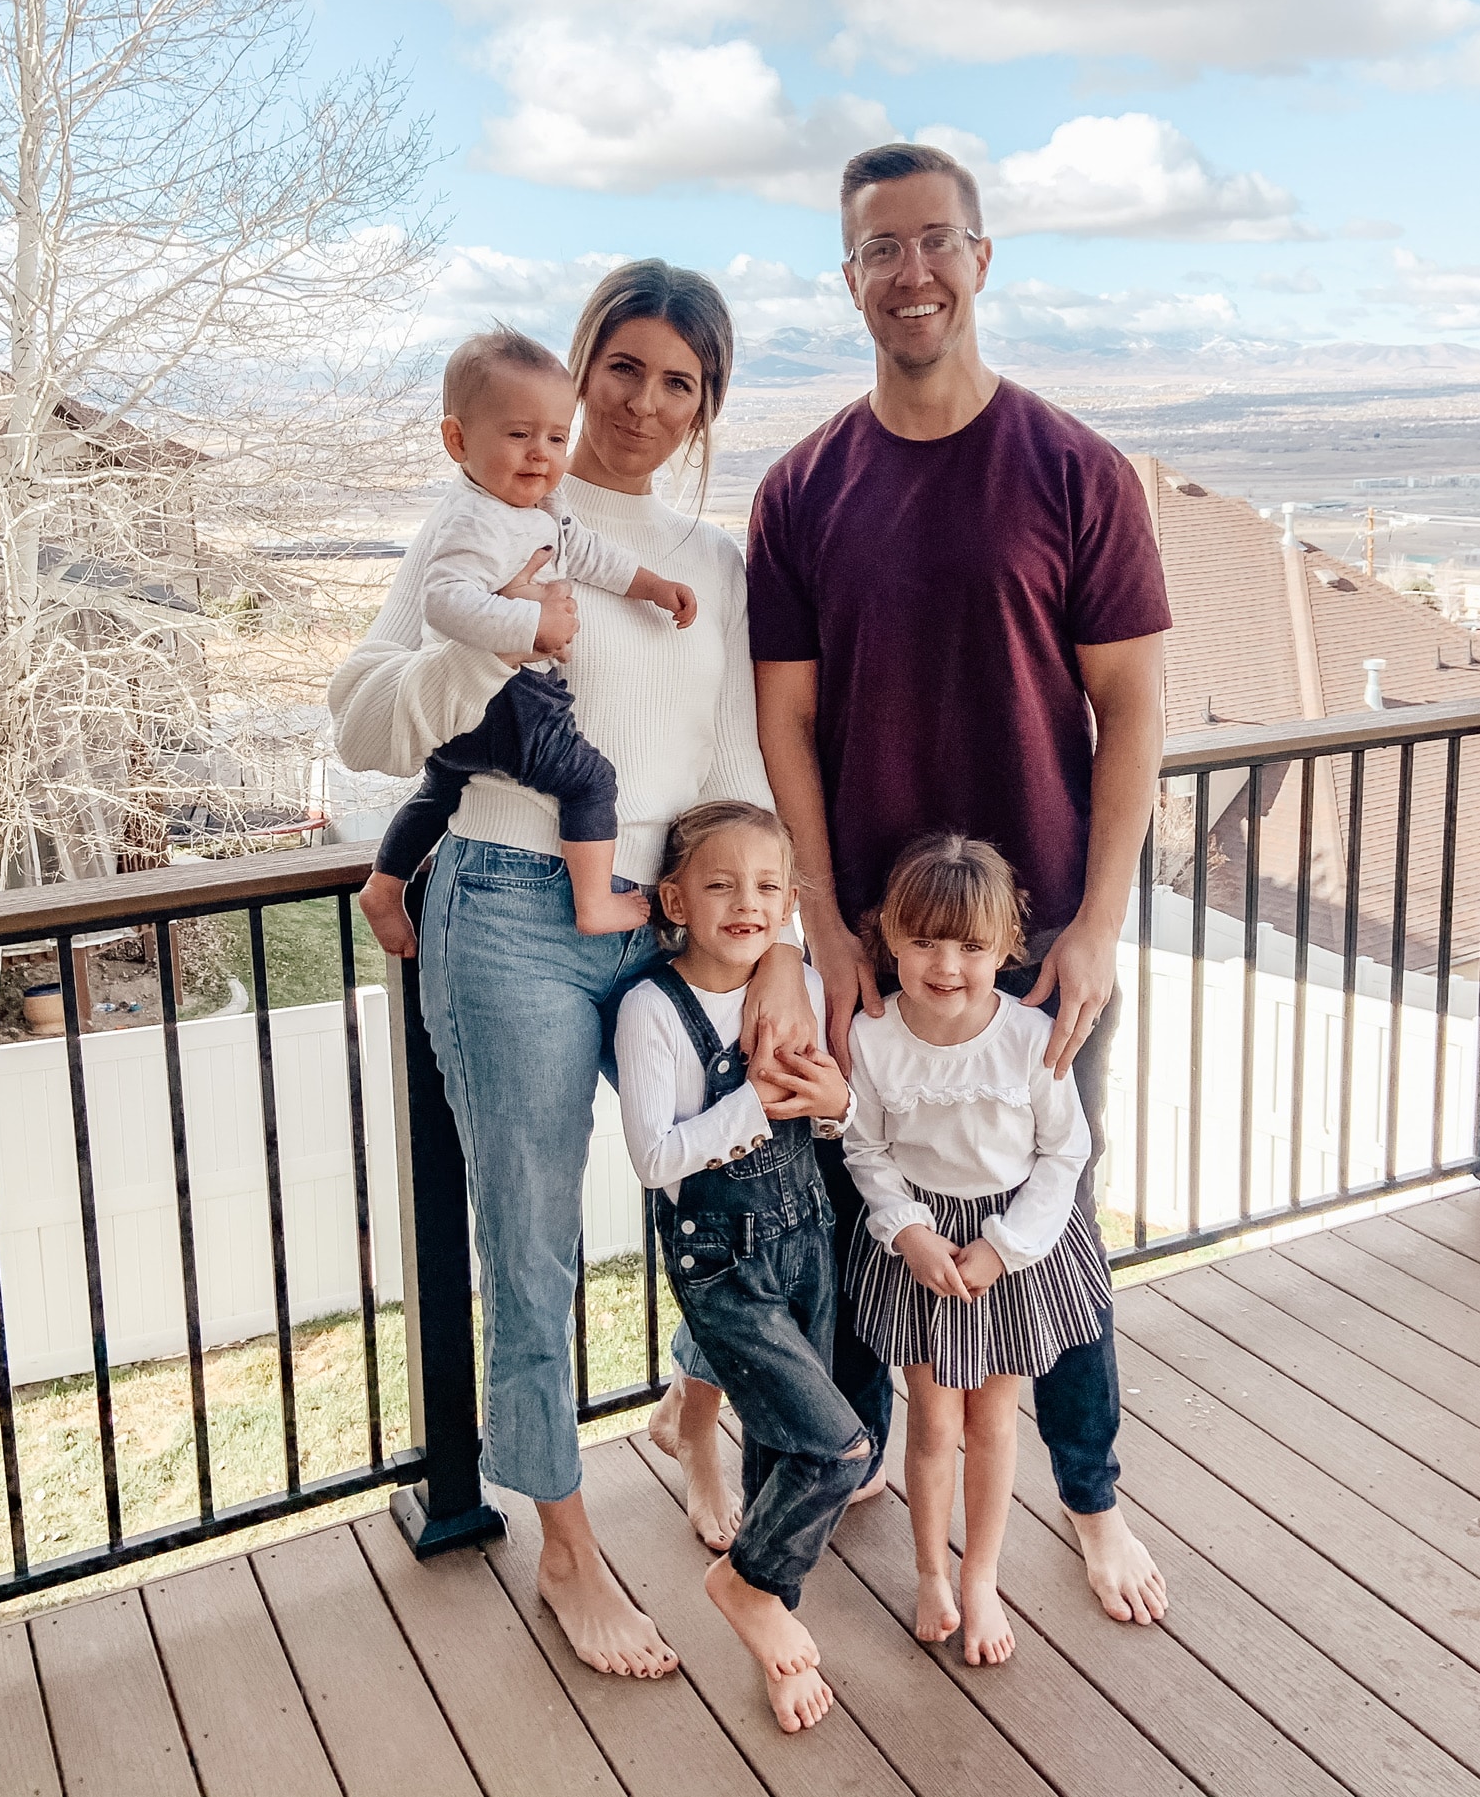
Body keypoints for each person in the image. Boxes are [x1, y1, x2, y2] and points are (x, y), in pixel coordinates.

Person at [328, 260, 815, 1681]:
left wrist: (767, 941)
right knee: (532, 1242)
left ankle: (696, 1421)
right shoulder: (482, 523)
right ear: (578, 366)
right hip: (509, 902)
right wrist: (480, 664)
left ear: (705, 405)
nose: (644, 405)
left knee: (738, 1184)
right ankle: (567, 1546)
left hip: (680, 913)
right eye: (625, 368)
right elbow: (363, 716)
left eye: (682, 383)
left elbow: (732, 762)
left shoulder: (708, 565)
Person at [749, 140, 1172, 1626]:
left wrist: (1102, 925)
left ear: (980, 259)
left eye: (936, 241)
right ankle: (875, 1450)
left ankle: (1090, 1496)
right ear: (849, 277)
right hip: (875, 946)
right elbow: (785, 721)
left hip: (1038, 941)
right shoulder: (801, 490)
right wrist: (821, 928)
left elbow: (1134, 710)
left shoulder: (1077, 470)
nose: (910, 272)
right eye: (880, 249)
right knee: (877, 1204)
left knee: (1055, 1222)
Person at [615, 801, 863, 1732]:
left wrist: (832, 1102)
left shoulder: (782, 983)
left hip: (806, 1234)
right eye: (719, 884)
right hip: (721, 1261)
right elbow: (652, 1158)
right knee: (839, 1446)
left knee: (781, 1447)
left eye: (766, 886)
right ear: (675, 897)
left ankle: (772, 1627)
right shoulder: (652, 1008)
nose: (745, 903)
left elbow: (830, 1116)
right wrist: (754, 1104)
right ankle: (746, 1583)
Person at [844, 835, 1110, 1662]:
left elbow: (1064, 1152)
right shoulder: (874, 1036)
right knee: (931, 1421)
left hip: (1009, 1251)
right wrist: (909, 1232)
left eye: (970, 945)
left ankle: (980, 1577)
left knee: (993, 1419)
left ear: (1005, 948)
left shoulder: (1030, 1038)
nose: (946, 964)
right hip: (920, 1245)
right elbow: (865, 1150)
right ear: (889, 937)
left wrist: (1002, 1247)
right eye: (923, 939)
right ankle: (930, 1568)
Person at [358, 326, 697, 948]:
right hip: (508, 701)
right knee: (589, 780)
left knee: (440, 787)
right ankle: (594, 901)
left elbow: (594, 556)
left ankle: (385, 884)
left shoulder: (540, 508)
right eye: (518, 435)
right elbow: (446, 601)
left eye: (555, 437)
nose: (540, 455)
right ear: (458, 439)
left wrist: (651, 585)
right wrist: (530, 625)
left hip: (467, 719)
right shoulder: (470, 518)